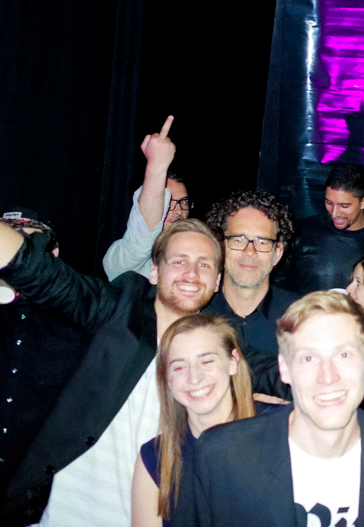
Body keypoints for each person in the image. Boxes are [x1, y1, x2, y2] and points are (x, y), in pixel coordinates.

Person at [0, 218, 222, 525]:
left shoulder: (224, 354)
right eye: (179, 261)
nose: (191, 274)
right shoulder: (114, 311)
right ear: (155, 271)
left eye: (204, 265)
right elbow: (40, 273)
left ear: (218, 280)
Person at [173, 291, 364, 527]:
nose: (328, 377)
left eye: (343, 355)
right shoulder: (222, 455)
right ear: (284, 368)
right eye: (309, 358)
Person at [131, 314, 256, 526]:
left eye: (206, 361)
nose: (194, 378)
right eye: (179, 367)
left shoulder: (281, 430)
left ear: (233, 362)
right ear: (166, 379)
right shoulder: (154, 458)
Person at [0, 210, 89, 508]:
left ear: (53, 252)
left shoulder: (78, 319)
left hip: (37, 497)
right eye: (11, 237)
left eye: (31, 240)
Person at [202, 190, 300, 354]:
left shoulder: (302, 318)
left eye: (262, 241)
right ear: (220, 246)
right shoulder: (195, 311)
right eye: (238, 240)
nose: (250, 251)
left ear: (278, 253)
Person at [280, 163, 364, 293]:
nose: (334, 213)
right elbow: (278, 286)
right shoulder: (301, 232)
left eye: (344, 206)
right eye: (329, 202)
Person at [103, 116, 192, 280]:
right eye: (169, 202)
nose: (179, 210)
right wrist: (157, 165)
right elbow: (142, 237)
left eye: (184, 202)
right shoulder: (123, 257)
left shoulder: (197, 256)